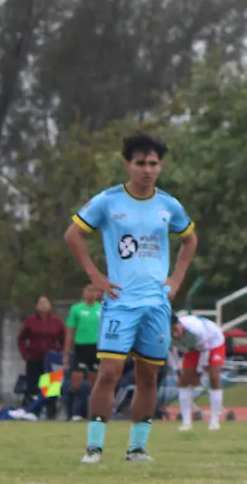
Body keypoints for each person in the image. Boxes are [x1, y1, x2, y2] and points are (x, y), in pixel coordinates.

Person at [64, 132, 198, 464]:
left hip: (157, 305)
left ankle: (137, 449)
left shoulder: (169, 205)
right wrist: (96, 276)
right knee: (109, 372)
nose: (147, 170)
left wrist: (177, 278)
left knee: (148, 376)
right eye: (140, 163)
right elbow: (73, 235)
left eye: (153, 163)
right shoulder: (108, 201)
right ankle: (94, 448)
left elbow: (190, 239)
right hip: (120, 303)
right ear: (128, 165)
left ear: (160, 166)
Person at [171, 314, 228, 431]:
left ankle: (214, 421)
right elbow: (171, 352)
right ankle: (186, 423)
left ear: (180, 325)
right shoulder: (166, 334)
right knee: (184, 381)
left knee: (214, 377)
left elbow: (204, 351)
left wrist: (199, 372)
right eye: (171, 332)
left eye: (176, 330)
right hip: (191, 346)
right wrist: (177, 370)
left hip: (213, 343)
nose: (175, 335)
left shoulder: (196, 330)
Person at [17, 295, 66, 409]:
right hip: (34, 358)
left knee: (50, 389)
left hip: (51, 360)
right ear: (36, 306)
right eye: (41, 303)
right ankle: (31, 409)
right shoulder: (30, 320)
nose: (44, 305)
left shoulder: (56, 321)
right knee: (33, 387)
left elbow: (64, 340)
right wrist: (25, 354)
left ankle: (50, 410)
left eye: (46, 303)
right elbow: (21, 339)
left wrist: (60, 354)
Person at [64, 284, 103, 421]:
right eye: (88, 291)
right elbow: (70, 331)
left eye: (94, 291)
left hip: (95, 348)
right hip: (80, 348)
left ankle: (93, 413)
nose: (91, 294)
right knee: (76, 383)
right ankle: (70, 413)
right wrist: (67, 352)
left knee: (94, 384)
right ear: (84, 292)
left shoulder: (102, 309)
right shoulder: (76, 309)